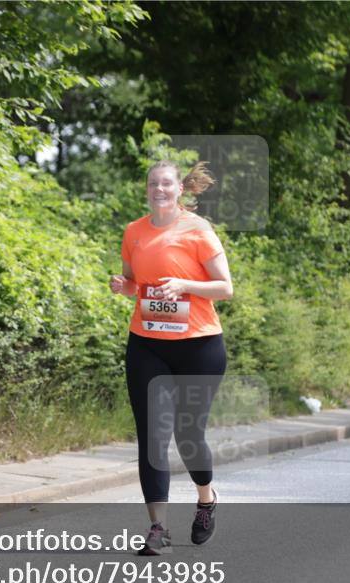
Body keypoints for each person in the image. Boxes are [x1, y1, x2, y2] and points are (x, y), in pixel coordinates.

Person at [109, 160, 233, 555]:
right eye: (152, 184)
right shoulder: (134, 232)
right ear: (147, 190)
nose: (158, 189)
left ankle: (206, 499)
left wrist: (184, 284)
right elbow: (134, 285)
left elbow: (224, 288)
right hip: (147, 343)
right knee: (152, 436)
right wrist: (122, 286)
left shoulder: (197, 230)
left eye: (166, 183)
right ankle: (157, 528)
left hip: (199, 345)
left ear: (180, 189)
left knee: (188, 435)